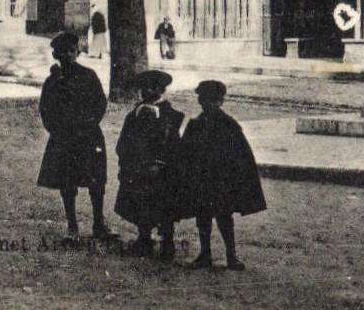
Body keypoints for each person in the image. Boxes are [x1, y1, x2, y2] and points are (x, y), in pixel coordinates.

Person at [176, 79, 265, 271]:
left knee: (224, 217)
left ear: (221, 101)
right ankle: (205, 253)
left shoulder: (229, 125)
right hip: (201, 180)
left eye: (213, 100)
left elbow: (242, 156)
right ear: (200, 101)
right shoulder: (195, 125)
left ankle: (231, 255)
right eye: (204, 100)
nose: (208, 104)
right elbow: (185, 153)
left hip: (222, 182)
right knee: (203, 218)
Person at [36, 31, 111, 241]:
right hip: (64, 138)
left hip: (88, 135)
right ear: (56, 55)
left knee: (96, 181)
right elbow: (46, 109)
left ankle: (99, 222)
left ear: (77, 52)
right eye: (63, 52)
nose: (68, 55)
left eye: (72, 51)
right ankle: (72, 225)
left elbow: (100, 103)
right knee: (67, 182)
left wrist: (90, 122)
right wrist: (56, 129)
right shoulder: (53, 82)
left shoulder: (89, 76)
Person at [114, 69, 183, 260]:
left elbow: (173, 146)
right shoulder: (134, 116)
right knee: (140, 203)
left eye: (152, 88)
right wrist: (127, 162)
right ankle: (144, 238)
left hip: (161, 171)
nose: (147, 92)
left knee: (164, 205)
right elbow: (124, 142)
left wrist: (161, 164)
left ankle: (167, 242)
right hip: (137, 169)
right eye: (143, 89)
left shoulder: (170, 116)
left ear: (161, 90)